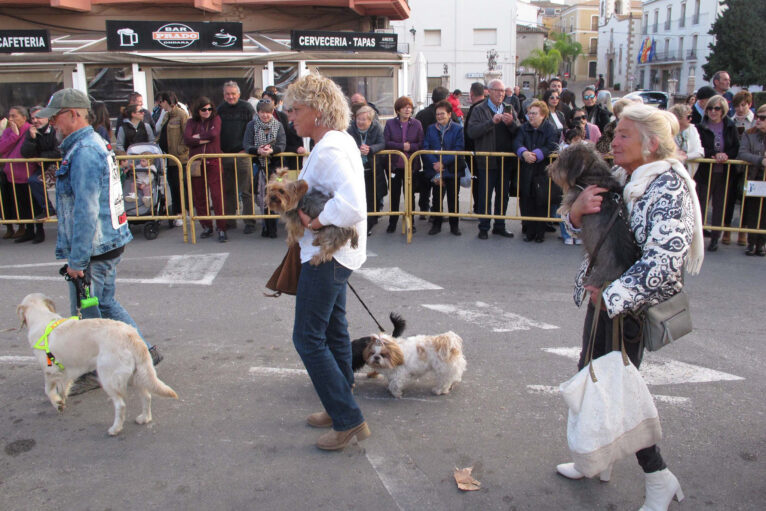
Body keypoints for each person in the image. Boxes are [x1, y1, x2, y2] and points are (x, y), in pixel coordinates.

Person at [560, 103, 704, 511]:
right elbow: (587, 229)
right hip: (605, 298)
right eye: (615, 132)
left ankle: (659, 477)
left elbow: (664, 261)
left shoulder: (668, 186)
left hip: (629, 307)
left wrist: (611, 295)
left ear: (651, 143)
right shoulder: (627, 176)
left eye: (623, 134)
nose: (612, 141)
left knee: (616, 391)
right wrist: (576, 211)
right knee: (594, 378)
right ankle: (598, 458)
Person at [41, 89, 162, 396]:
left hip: (95, 246)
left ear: (73, 114)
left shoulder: (84, 151)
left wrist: (78, 260)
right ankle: (144, 351)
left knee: (88, 312)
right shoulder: (91, 145)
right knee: (104, 302)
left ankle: (96, 370)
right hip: (105, 241)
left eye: (56, 116)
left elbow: (86, 210)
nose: (52, 123)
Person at [283, 73, 369, 451]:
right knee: (334, 331)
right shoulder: (334, 142)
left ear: (318, 111)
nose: (290, 117)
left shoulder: (330, 148)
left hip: (328, 255)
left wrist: (315, 221)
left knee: (307, 337)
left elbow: (351, 205)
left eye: (295, 109)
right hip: (337, 254)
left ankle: (348, 418)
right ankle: (340, 408)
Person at [466, 78, 519, 239]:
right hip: (487, 159)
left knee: (502, 195)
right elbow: (472, 132)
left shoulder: (509, 109)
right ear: (489, 92)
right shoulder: (479, 109)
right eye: (497, 90)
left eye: (503, 91)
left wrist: (511, 124)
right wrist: (491, 122)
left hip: (505, 160)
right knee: (485, 195)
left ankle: (500, 225)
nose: (501, 94)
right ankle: (483, 227)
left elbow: (519, 131)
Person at [695, 95, 740, 251]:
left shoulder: (730, 126)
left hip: (724, 173)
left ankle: (715, 238)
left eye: (717, 108)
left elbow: (735, 147)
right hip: (706, 171)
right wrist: (714, 154)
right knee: (700, 205)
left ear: (723, 111)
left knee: (719, 206)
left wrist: (726, 155)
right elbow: (698, 147)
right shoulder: (700, 127)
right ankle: (697, 237)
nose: (713, 112)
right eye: (710, 108)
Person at [512, 100, 558, 243]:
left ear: (543, 115)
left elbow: (551, 144)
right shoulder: (524, 127)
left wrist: (537, 154)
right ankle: (529, 230)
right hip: (527, 168)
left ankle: (540, 232)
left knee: (541, 200)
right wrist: (524, 152)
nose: (530, 116)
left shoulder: (550, 128)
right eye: (529, 113)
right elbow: (517, 142)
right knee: (527, 199)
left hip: (542, 169)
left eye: (534, 113)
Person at [184, 96, 227, 242]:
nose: (207, 111)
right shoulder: (191, 122)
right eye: (204, 109)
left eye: (209, 109)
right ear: (198, 110)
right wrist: (202, 139)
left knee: (217, 195)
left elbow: (214, 135)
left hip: (213, 161)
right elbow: (187, 139)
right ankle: (206, 225)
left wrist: (197, 137)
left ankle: (221, 227)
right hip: (196, 162)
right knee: (199, 196)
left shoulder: (216, 119)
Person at [217, 81, 257, 233]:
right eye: (227, 94)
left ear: (239, 94)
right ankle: (230, 221)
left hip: (242, 154)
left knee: (246, 190)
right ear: (224, 95)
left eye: (233, 94)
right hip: (225, 154)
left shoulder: (246, 108)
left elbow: (253, 129)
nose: (230, 96)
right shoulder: (220, 109)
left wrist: (246, 148)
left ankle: (249, 222)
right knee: (228, 191)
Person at [243, 98, 286, 238]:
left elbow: (282, 144)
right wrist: (258, 150)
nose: (265, 115)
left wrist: (271, 150)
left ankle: (272, 227)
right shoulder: (252, 125)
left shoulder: (278, 125)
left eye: (268, 112)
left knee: (275, 196)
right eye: (262, 112)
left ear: (272, 112)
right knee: (261, 197)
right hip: (259, 165)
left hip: (275, 166)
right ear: (258, 112)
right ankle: (266, 225)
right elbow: (247, 144)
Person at [422, 100, 464, 236]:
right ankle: (436, 224)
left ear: (450, 114)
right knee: (437, 198)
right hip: (435, 169)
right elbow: (426, 147)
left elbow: (458, 149)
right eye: (437, 114)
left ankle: (454, 226)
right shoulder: (430, 128)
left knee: (453, 198)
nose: (440, 116)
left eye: (443, 114)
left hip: (452, 169)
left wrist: (443, 163)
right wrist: (435, 163)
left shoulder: (458, 128)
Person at [384, 96, 424, 233]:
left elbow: (420, 144)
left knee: (410, 195)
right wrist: (402, 146)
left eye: (410, 107)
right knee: (394, 194)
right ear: (398, 110)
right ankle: (392, 222)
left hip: (411, 166)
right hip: (395, 165)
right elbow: (386, 142)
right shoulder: (390, 124)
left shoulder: (417, 124)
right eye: (404, 107)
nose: (407, 110)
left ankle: (411, 221)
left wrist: (410, 147)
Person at [21, 105, 59, 241]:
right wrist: (31, 139)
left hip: (58, 165)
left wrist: (41, 156)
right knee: (33, 181)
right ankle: (48, 210)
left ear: (48, 117)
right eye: (33, 118)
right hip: (44, 166)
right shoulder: (32, 131)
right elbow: (25, 153)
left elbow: (59, 150)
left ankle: (49, 209)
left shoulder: (55, 129)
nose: (35, 120)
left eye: (39, 117)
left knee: (35, 181)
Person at [347, 105, 385, 236]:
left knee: (371, 197)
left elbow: (382, 143)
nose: (360, 122)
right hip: (355, 170)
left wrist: (371, 149)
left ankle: (369, 223)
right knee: (356, 197)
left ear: (370, 120)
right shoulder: (350, 128)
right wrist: (356, 148)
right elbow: (345, 142)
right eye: (358, 118)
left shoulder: (377, 128)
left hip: (372, 168)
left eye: (364, 119)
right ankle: (356, 223)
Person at [0, 105, 36, 242]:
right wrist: (13, 136)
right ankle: (10, 226)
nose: (11, 119)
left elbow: (26, 151)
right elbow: (2, 147)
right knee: (8, 200)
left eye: (14, 116)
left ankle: (27, 228)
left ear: (24, 117)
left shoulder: (29, 130)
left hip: (25, 172)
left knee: (25, 203)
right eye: (10, 116)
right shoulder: (9, 131)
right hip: (9, 173)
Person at [416, 86, 452, 215]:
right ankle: (436, 209)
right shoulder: (448, 114)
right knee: (440, 183)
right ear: (445, 98)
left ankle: (424, 205)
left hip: (426, 154)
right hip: (443, 155)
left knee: (427, 179)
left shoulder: (422, 113)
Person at [155, 91, 189, 227]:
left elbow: (186, 133)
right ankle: (176, 212)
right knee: (173, 187)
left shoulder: (181, 114)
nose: (160, 104)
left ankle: (182, 212)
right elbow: (160, 130)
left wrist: (181, 149)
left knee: (179, 186)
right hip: (169, 158)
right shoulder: (166, 115)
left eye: (161, 101)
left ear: (166, 101)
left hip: (179, 158)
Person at [737, 104, 766, 256]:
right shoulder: (749, 134)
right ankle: (751, 242)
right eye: (758, 117)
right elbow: (743, 153)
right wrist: (760, 160)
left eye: (763, 118)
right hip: (755, 177)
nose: (759, 121)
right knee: (753, 210)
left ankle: (761, 244)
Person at [263, 89, 305, 170]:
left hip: (283, 159)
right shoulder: (255, 121)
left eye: (268, 101)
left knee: (281, 180)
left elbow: (287, 139)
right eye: (263, 100)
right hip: (266, 160)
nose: (266, 103)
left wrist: (296, 148)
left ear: (274, 103)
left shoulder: (282, 117)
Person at [669, 104, 704, 178]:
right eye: (688, 117)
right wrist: (675, 155)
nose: (690, 119)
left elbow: (700, 152)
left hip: (689, 174)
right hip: (670, 173)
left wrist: (685, 156)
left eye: (691, 116)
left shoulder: (693, 129)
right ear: (678, 118)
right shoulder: (667, 131)